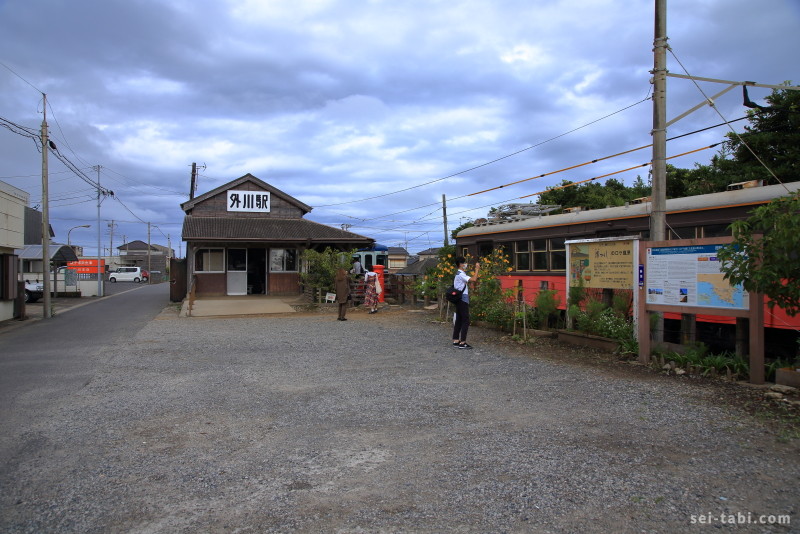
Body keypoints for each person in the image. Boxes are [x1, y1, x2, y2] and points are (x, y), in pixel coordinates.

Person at [452, 256, 480, 349]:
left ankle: (456, 340)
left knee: (459, 319)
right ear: (460, 264)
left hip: (458, 298)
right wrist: (477, 269)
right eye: (464, 263)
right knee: (465, 320)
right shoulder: (461, 274)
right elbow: (474, 279)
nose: (465, 264)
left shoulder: (458, 274)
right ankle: (463, 342)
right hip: (463, 299)